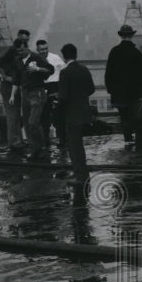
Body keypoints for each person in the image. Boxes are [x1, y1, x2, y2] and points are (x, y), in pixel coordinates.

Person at [57, 43, 96, 184]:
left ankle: (80, 176)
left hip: (72, 114)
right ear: (75, 54)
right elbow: (91, 90)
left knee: (74, 146)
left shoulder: (64, 72)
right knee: (79, 145)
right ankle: (82, 173)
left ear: (64, 56)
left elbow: (63, 96)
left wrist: (57, 98)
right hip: (84, 112)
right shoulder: (84, 69)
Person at [105, 24, 142, 149]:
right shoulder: (136, 53)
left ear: (121, 36)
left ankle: (127, 138)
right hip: (134, 93)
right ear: (132, 35)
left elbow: (109, 73)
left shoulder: (114, 51)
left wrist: (110, 89)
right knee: (133, 115)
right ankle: (136, 139)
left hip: (118, 93)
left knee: (123, 116)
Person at [19, 41, 53, 161]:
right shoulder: (19, 60)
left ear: (27, 48)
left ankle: (41, 149)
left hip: (36, 92)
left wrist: (38, 69)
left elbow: (50, 70)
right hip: (25, 92)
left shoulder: (36, 57)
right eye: (18, 51)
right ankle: (35, 150)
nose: (19, 53)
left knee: (33, 122)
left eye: (21, 50)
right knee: (28, 123)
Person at [0, 37, 25, 152]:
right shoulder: (11, 52)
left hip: (14, 85)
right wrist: (6, 77)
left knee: (16, 113)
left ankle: (17, 141)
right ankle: (13, 142)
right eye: (20, 49)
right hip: (8, 87)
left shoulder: (16, 53)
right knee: (12, 114)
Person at [37, 39, 66, 149]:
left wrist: (60, 88)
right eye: (41, 49)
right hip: (42, 87)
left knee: (58, 115)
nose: (44, 51)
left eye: (46, 49)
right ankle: (45, 141)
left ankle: (62, 141)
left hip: (55, 86)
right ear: (38, 50)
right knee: (44, 116)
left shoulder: (55, 57)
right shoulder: (35, 59)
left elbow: (64, 71)